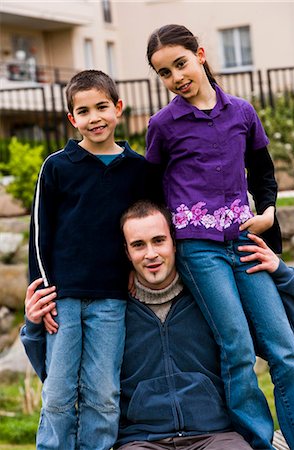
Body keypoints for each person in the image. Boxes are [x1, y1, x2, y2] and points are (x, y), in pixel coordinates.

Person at [21, 200, 294, 450]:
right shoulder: (111, 314)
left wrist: (282, 273)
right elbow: (60, 373)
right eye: (138, 245)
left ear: (174, 242)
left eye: (158, 241)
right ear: (127, 253)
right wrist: (34, 325)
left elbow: (284, 336)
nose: (151, 254)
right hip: (140, 440)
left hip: (216, 435)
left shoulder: (212, 299)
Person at [145, 24, 294, 450]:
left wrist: (267, 215)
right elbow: (152, 192)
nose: (176, 77)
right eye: (164, 73)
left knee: (285, 351)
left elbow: (265, 173)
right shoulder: (163, 125)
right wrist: (161, 249)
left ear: (201, 54)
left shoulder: (242, 113)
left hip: (245, 242)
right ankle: (259, 443)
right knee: (237, 349)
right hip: (198, 249)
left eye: (181, 63)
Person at [28, 70, 160, 450]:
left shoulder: (139, 169)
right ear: (72, 119)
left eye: (102, 106)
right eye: (83, 111)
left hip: (112, 298)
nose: (94, 117)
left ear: (118, 108)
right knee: (58, 394)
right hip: (63, 299)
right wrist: (41, 292)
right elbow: (40, 233)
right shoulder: (57, 165)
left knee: (103, 394)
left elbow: (145, 227)